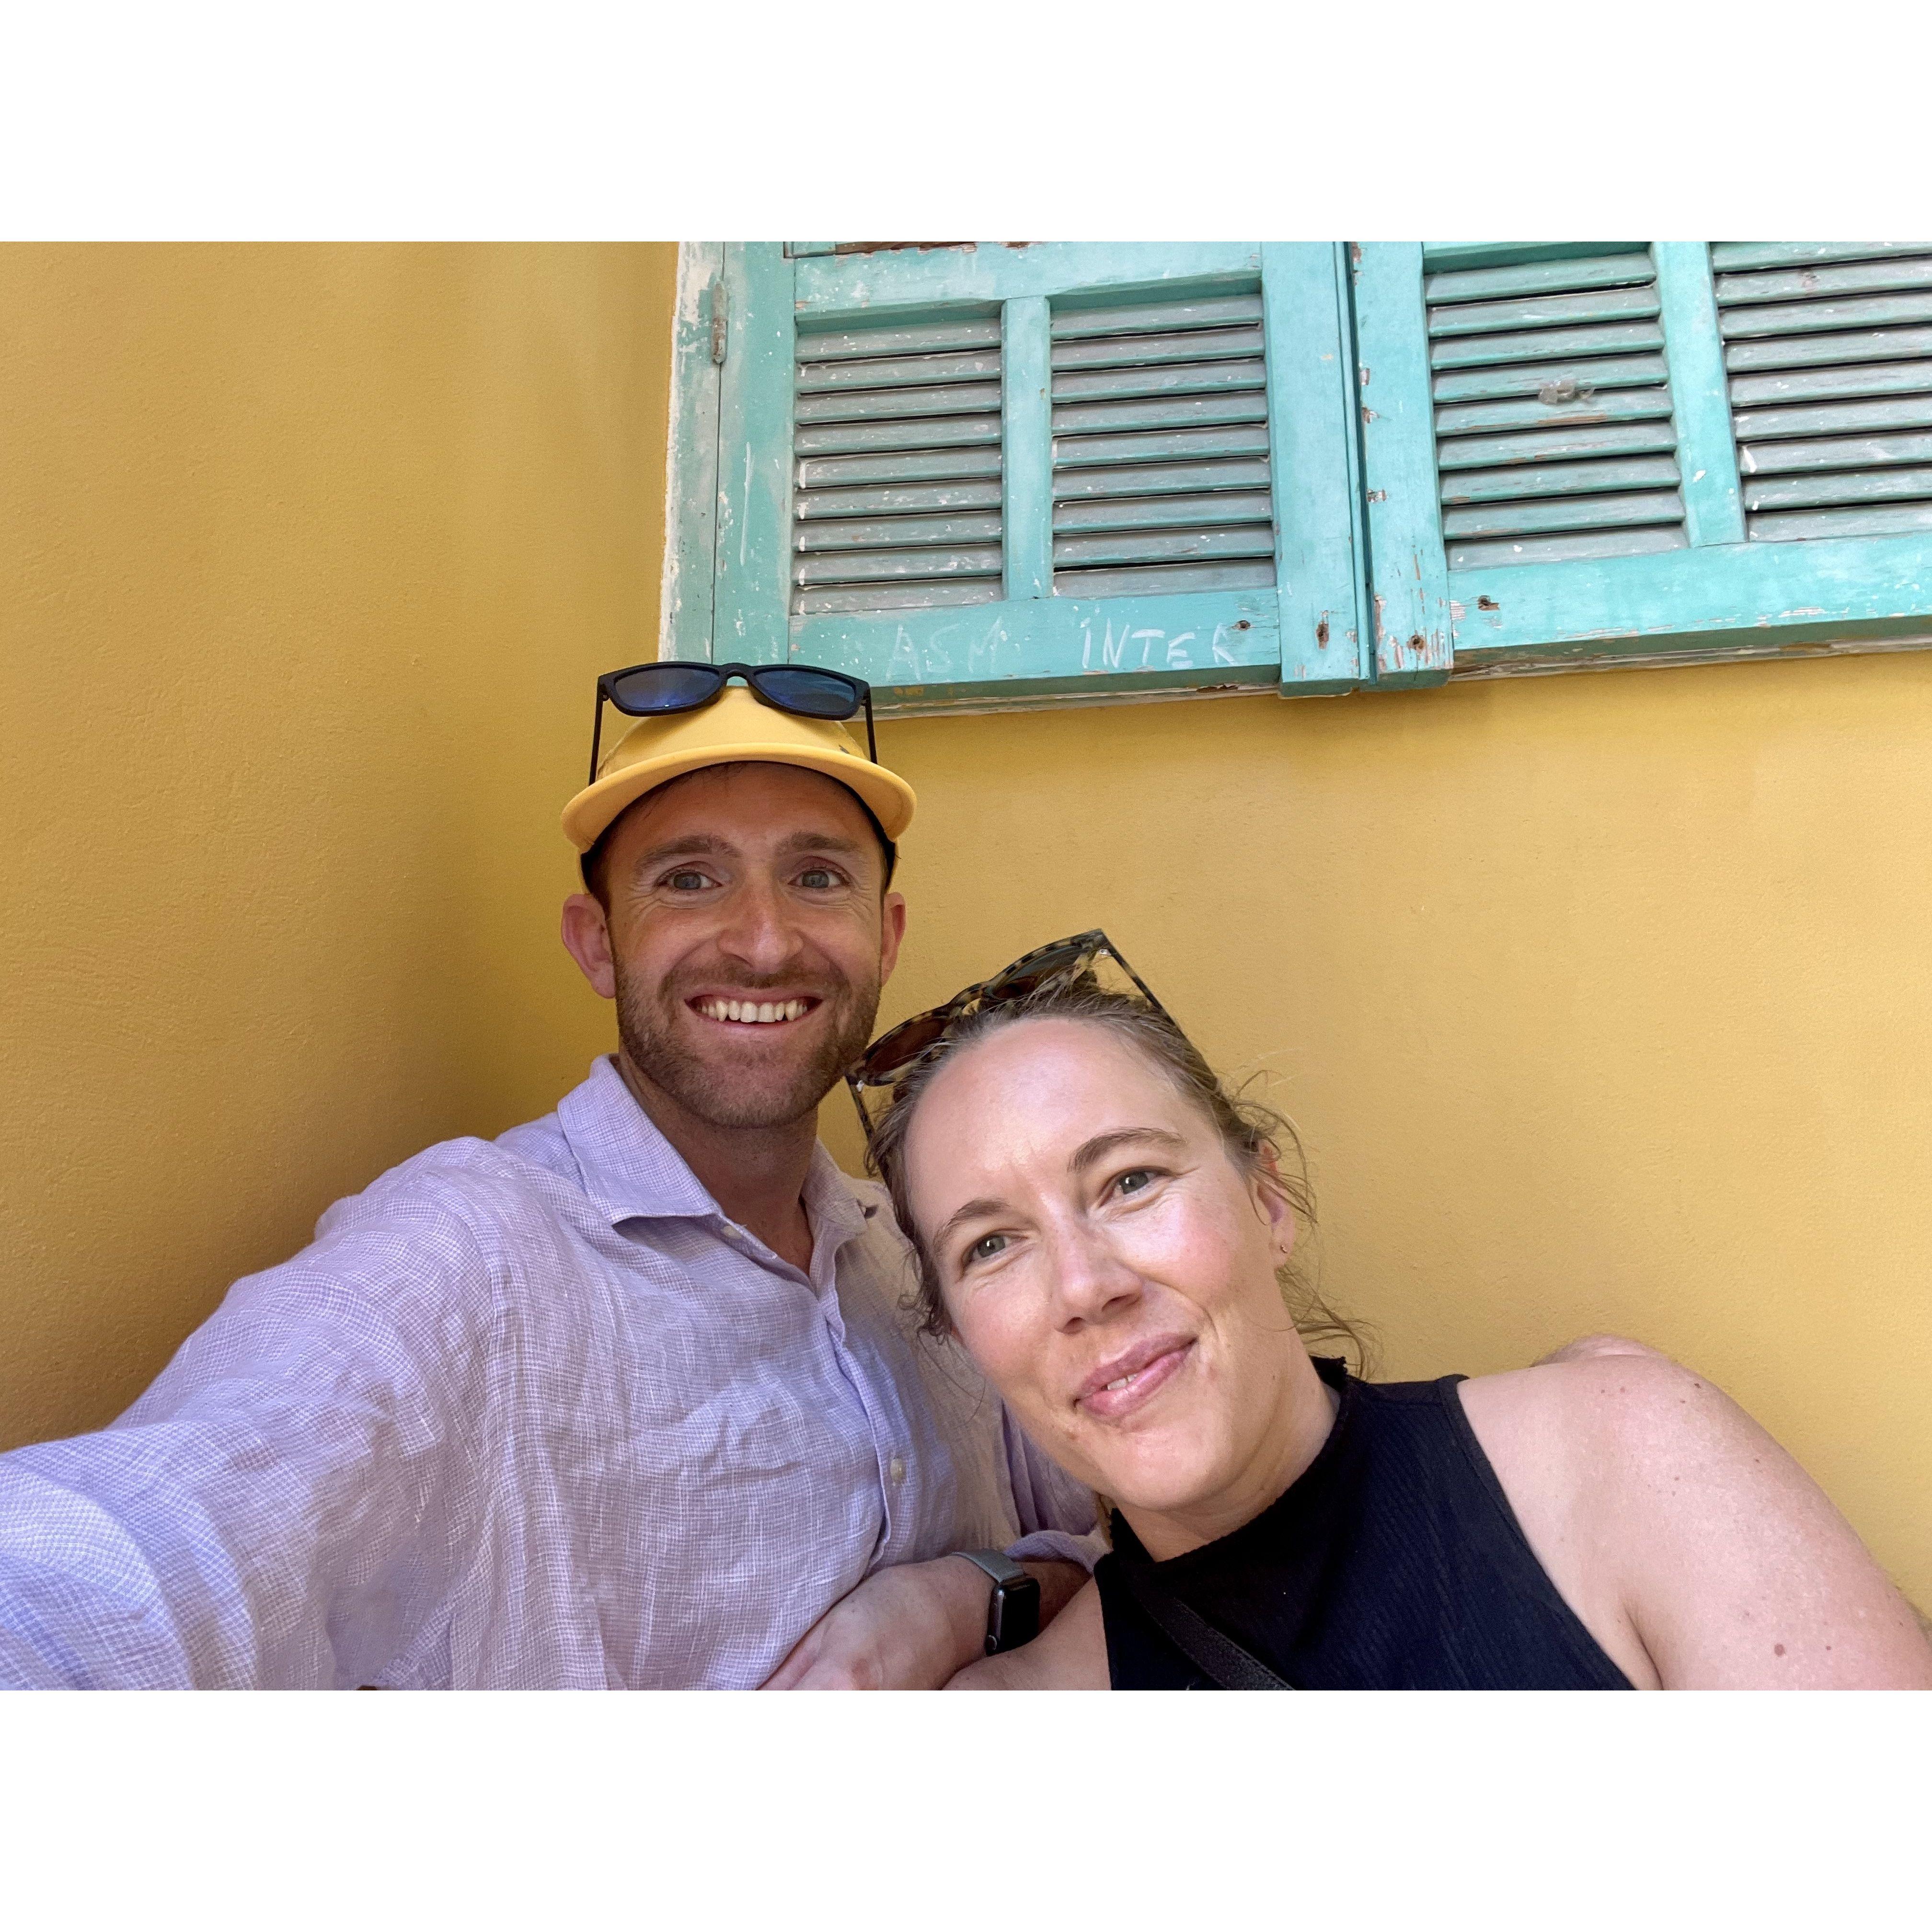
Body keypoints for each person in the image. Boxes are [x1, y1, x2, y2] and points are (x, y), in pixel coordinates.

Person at [0, 663, 1101, 1689]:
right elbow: (156, 1541)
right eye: (689, 880)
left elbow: (1109, 1535)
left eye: (817, 878)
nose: (765, 943)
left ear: (886, 936)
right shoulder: (464, 1253)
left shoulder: (917, 1251)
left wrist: (962, 1602)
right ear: (596, 944)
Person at [855, 936, 1932, 1690]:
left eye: (1130, 1181)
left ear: (1267, 1204)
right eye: (992, 1245)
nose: (1086, 1285)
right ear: (960, 1340)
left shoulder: (1622, 1461)